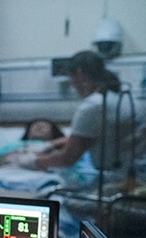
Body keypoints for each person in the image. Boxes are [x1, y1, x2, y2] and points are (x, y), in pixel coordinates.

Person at [35, 50, 146, 178]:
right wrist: (52, 144)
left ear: (80, 73)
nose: (71, 83)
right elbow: (98, 135)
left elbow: (68, 158)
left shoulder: (93, 106)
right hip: (139, 179)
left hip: (114, 183)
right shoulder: (129, 98)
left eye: (71, 77)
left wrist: (32, 162)